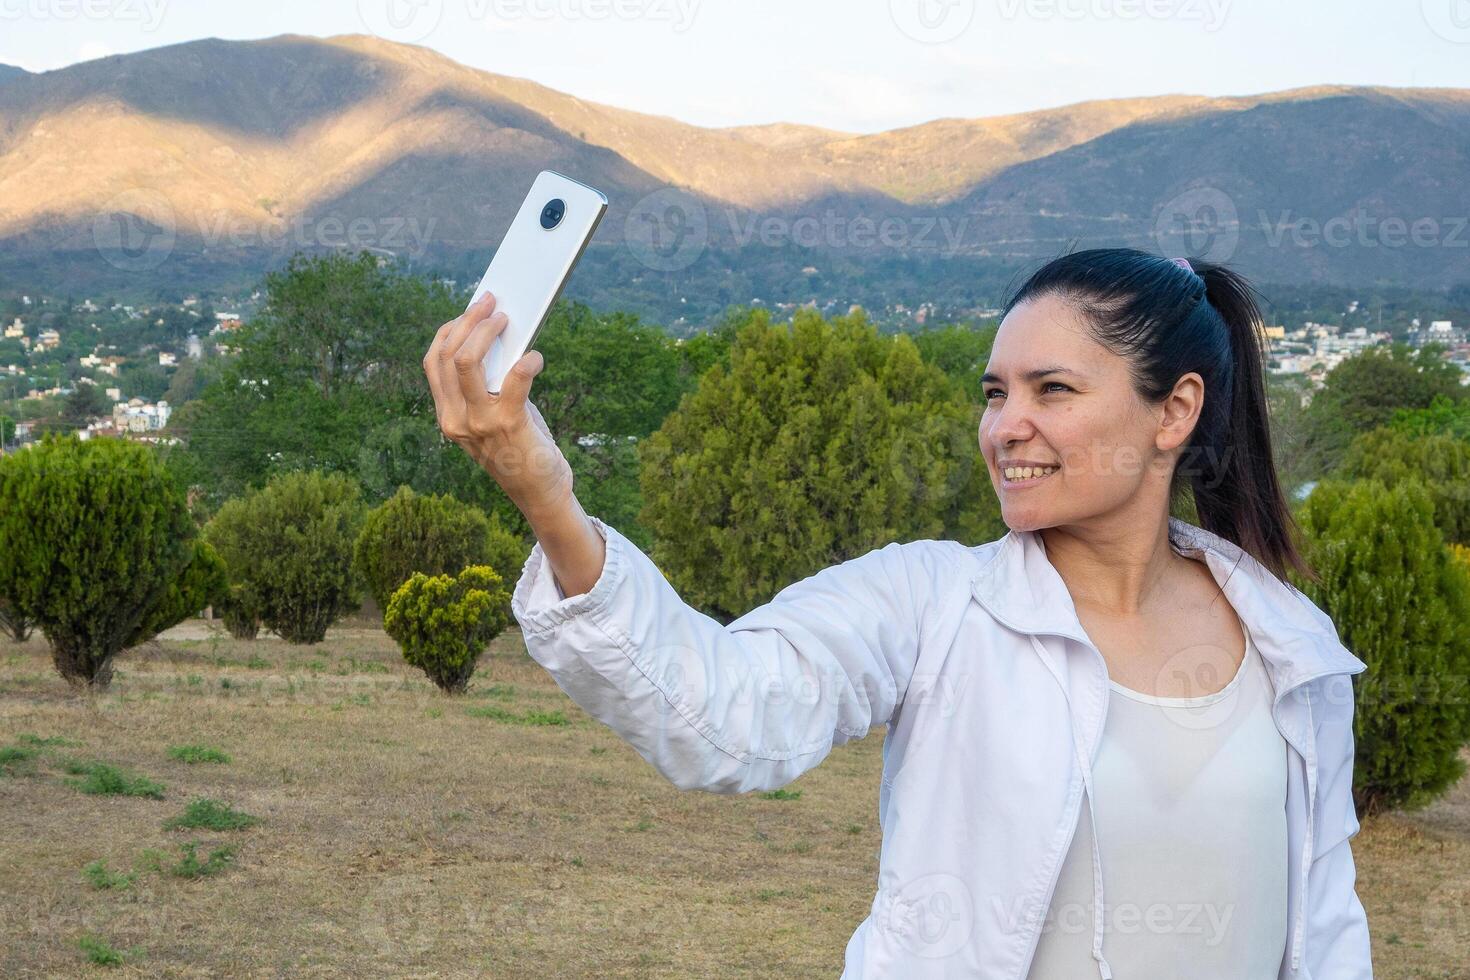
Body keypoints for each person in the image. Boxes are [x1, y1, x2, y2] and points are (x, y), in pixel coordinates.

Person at [421, 247, 1373, 979]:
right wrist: (546, 494)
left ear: (1175, 413)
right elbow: (716, 712)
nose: (1005, 426)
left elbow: (1326, 934)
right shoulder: (932, 603)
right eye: (996, 393)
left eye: (1053, 391)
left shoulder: (1292, 651)